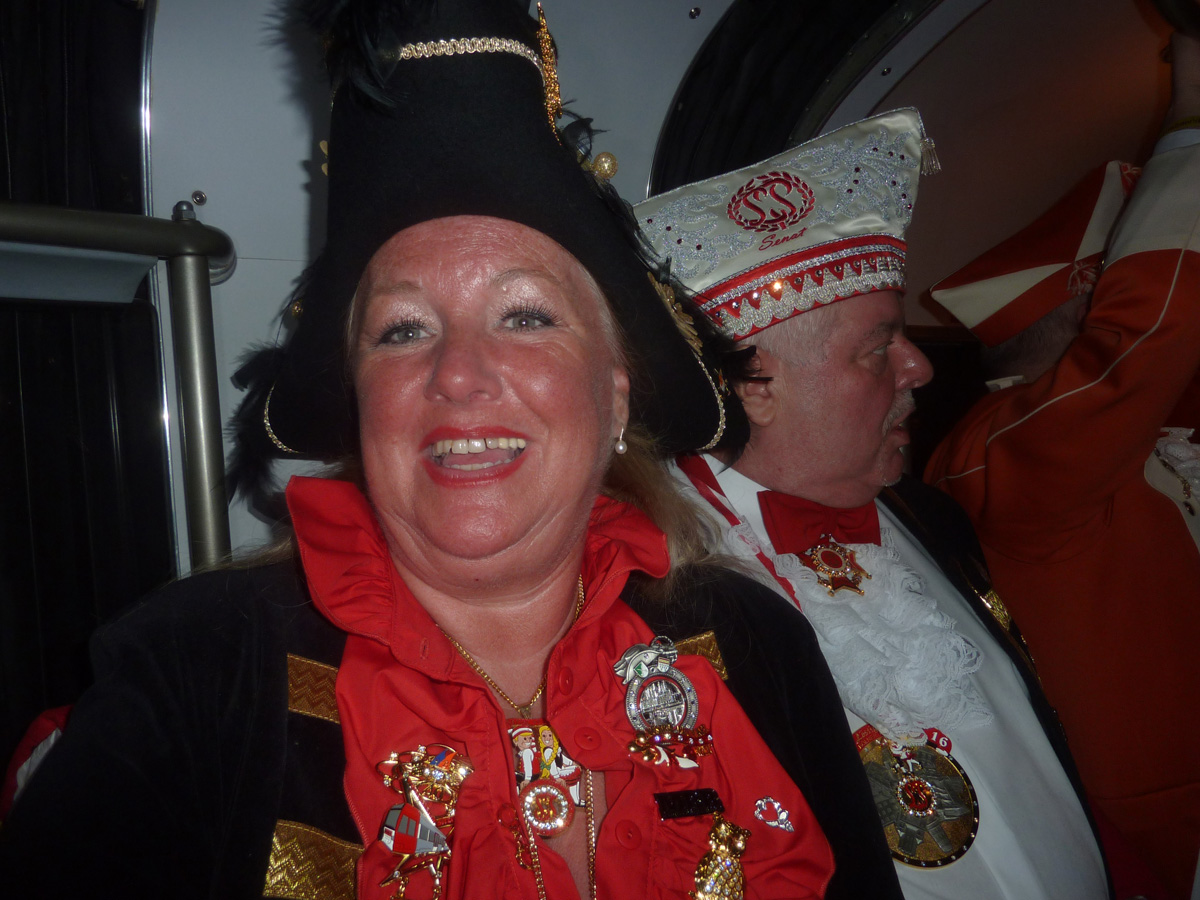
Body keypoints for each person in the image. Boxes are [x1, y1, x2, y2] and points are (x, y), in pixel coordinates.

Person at [0, 1, 897, 898]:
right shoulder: (190, 671)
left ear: (616, 393)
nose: (458, 375)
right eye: (403, 330)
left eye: (526, 316)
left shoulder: (757, 643)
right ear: (361, 403)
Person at [634, 108, 1111, 899]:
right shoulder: (658, 596)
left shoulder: (933, 518)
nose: (920, 367)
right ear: (758, 387)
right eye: (878, 347)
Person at [924, 33, 1200, 900]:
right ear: (1086, 305)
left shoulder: (1098, 437)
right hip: (1168, 822)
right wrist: (1190, 121)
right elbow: (1148, 337)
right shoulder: (998, 449)